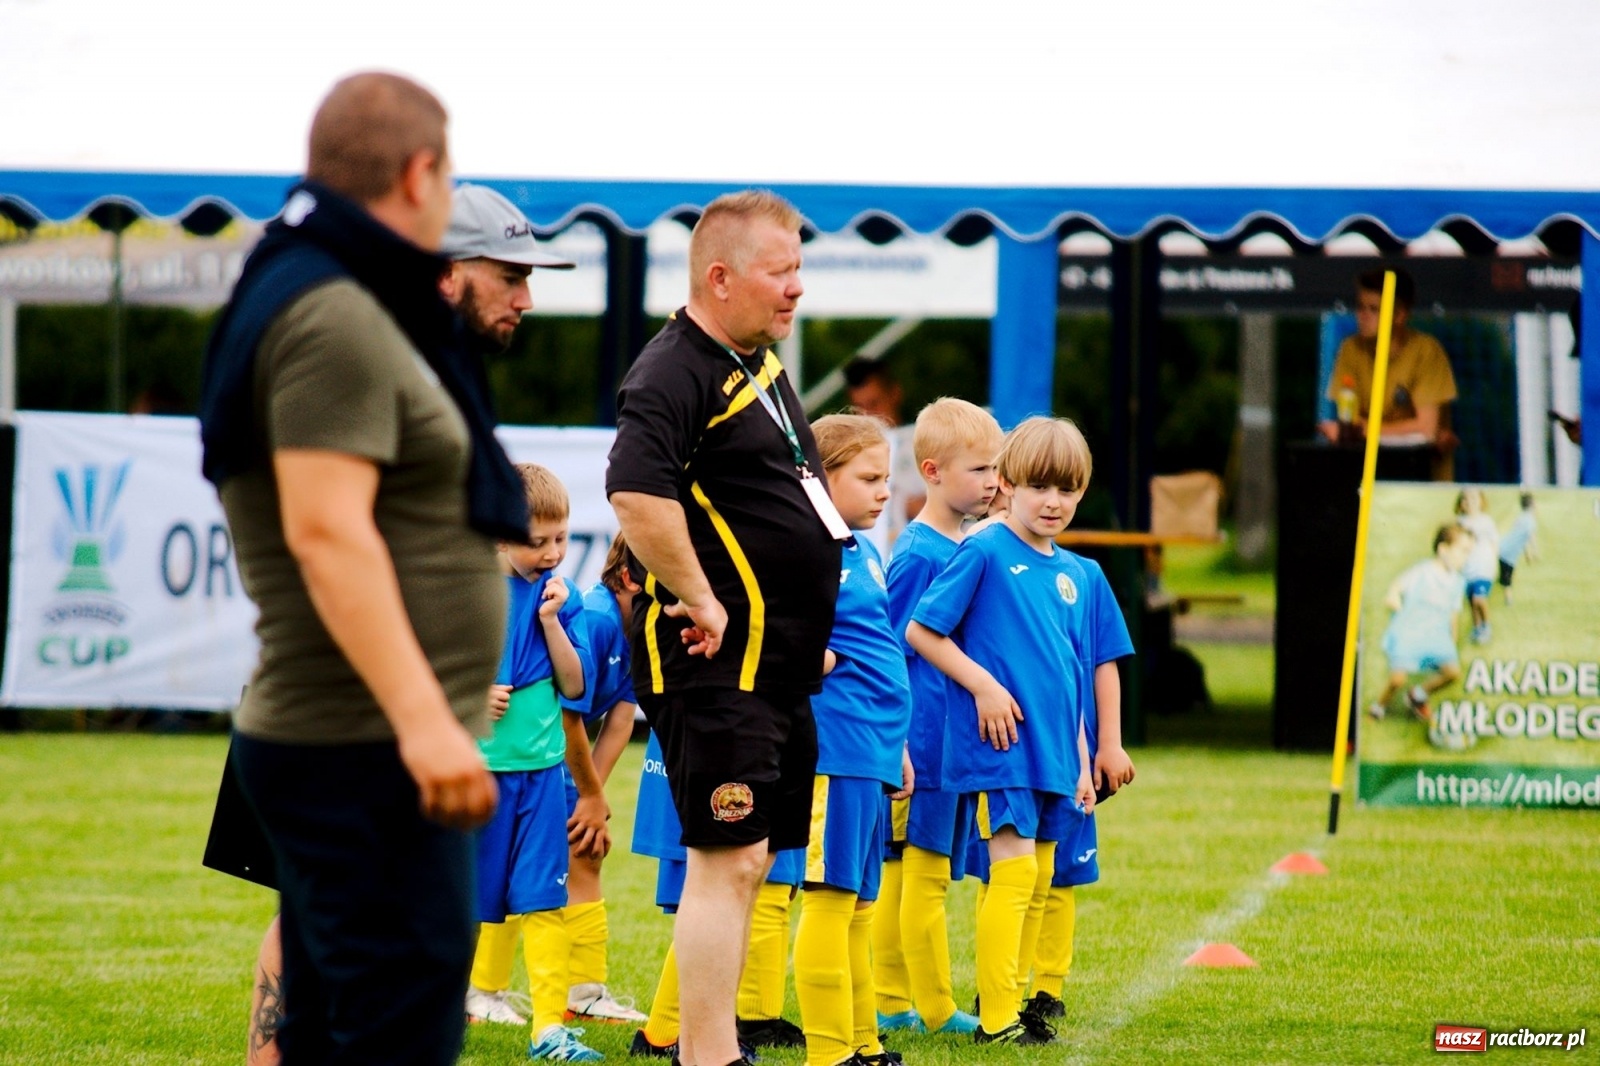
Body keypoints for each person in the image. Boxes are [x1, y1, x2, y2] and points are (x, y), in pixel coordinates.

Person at [200, 72, 521, 1066]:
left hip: (356, 741)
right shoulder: (329, 312)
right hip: (363, 746)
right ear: (421, 171)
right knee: (396, 1038)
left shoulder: (320, 285)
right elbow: (326, 531)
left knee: (338, 1036)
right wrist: (425, 724)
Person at [240, 177, 577, 1065]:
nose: (527, 298)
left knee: (360, 955)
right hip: (346, 716)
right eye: (509, 274)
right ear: (443, 272)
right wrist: (422, 715)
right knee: (347, 946)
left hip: (386, 719)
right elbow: (322, 538)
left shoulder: (424, 366)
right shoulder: (354, 350)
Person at [606, 189, 844, 1066]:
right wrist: (702, 598)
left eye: (799, 271)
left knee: (750, 864)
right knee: (726, 857)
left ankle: (709, 1047)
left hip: (778, 665)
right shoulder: (675, 368)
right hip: (720, 662)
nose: (796, 291)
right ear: (720, 276)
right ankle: (708, 1056)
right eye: (780, 273)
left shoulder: (758, 365)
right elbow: (634, 490)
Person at [907, 416, 1100, 1047]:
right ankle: (997, 1020)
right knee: (1014, 875)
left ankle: (1013, 1004)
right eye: (1039, 486)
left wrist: (1079, 756)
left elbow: (1068, 672)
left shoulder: (1068, 571)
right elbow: (922, 631)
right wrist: (984, 687)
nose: (1053, 501)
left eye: (1067, 489)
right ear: (1008, 486)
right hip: (1002, 747)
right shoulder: (985, 550)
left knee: (1039, 879)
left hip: (1053, 754)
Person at [470, 463, 612, 1062]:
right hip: (475, 779)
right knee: (459, 904)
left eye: (561, 539)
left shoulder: (565, 597)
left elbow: (576, 682)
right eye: (538, 542)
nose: (553, 553)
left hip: (542, 779)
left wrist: (553, 620)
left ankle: (549, 1030)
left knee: (544, 903)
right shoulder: (467, 592)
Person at [793, 414, 915, 1066]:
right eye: (868, 478)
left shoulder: (861, 548)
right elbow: (774, 624)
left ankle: (864, 1045)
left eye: (885, 478)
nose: (883, 492)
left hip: (871, 751)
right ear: (819, 476)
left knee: (861, 905)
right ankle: (828, 1053)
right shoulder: (802, 545)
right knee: (831, 900)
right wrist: (808, 655)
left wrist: (895, 746)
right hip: (834, 754)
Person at [876, 398, 1000, 1038]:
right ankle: (929, 1005)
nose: (993, 483)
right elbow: (893, 650)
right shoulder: (919, 553)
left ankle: (892, 1000)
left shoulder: (963, 543)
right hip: (919, 742)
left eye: (996, 469)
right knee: (918, 873)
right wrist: (896, 740)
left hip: (946, 740)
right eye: (980, 470)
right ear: (931, 470)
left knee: (910, 870)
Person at [562, 538, 651, 1028]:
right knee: (515, 872)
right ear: (627, 579)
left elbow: (619, 723)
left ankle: (586, 994)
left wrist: (590, 800)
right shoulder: (597, 620)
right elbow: (566, 717)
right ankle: (480, 991)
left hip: (562, 763)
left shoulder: (638, 627)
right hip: (525, 755)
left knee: (586, 850)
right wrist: (589, 795)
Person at [1319, 268, 1458, 467]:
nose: (1363, 316)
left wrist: (1365, 430)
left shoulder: (1427, 351)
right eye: (1360, 307)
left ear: (1399, 315)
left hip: (1419, 478)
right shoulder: (1351, 349)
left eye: (1374, 309)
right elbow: (1350, 423)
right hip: (1369, 475)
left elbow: (1427, 429)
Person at [1368, 524, 1473, 734]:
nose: (1466, 557)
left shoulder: (1458, 582)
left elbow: (1453, 611)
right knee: (1397, 679)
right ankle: (1378, 707)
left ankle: (1417, 695)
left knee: (1452, 673)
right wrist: (1393, 596)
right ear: (1443, 549)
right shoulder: (1423, 571)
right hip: (1409, 632)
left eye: (1469, 552)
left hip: (1435, 636)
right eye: (1462, 551)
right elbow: (1398, 585)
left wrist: (1451, 638)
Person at [843, 358, 923, 545]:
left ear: (894, 393)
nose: (867, 416)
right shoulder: (849, 455)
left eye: (873, 404)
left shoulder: (923, 442)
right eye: (859, 408)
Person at [1455, 488, 1499, 644]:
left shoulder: (1486, 521)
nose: (1470, 503)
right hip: (1467, 569)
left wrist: (1494, 563)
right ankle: (1477, 628)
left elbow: (1494, 544)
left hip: (1484, 568)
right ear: (1461, 504)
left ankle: (1487, 627)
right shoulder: (1459, 522)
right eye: (1465, 500)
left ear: (1481, 502)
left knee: (1479, 599)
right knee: (1471, 602)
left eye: (1474, 499)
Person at [1497, 492, 1538, 605]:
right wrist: (1534, 552)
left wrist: (1527, 554)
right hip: (1509, 553)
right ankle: (1508, 601)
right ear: (1532, 505)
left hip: (1503, 548)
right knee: (1507, 579)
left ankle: (1502, 589)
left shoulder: (1521, 518)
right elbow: (1530, 537)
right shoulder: (1530, 520)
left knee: (1506, 575)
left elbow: (1520, 537)